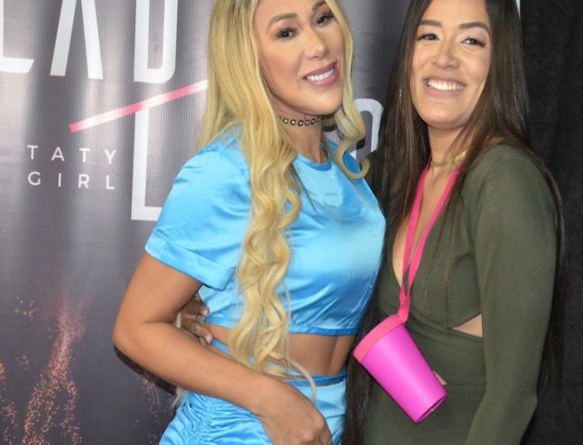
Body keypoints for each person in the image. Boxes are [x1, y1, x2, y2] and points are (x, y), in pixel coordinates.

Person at [182, 0, 565, 443]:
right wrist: (195, 305)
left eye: (471, 41)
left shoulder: (505, 180)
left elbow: (512, 398)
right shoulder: (391, 177)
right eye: (429, 35)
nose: (445, 58)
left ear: (500, 61)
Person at [112, 0, 385, 444]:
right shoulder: (226, 169)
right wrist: (270, 398)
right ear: (248, 57)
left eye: (322, 18)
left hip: (325, 428)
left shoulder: (347, 172)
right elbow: (135, 329)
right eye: (286, 32)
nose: (318, 44)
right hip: (235, 429)